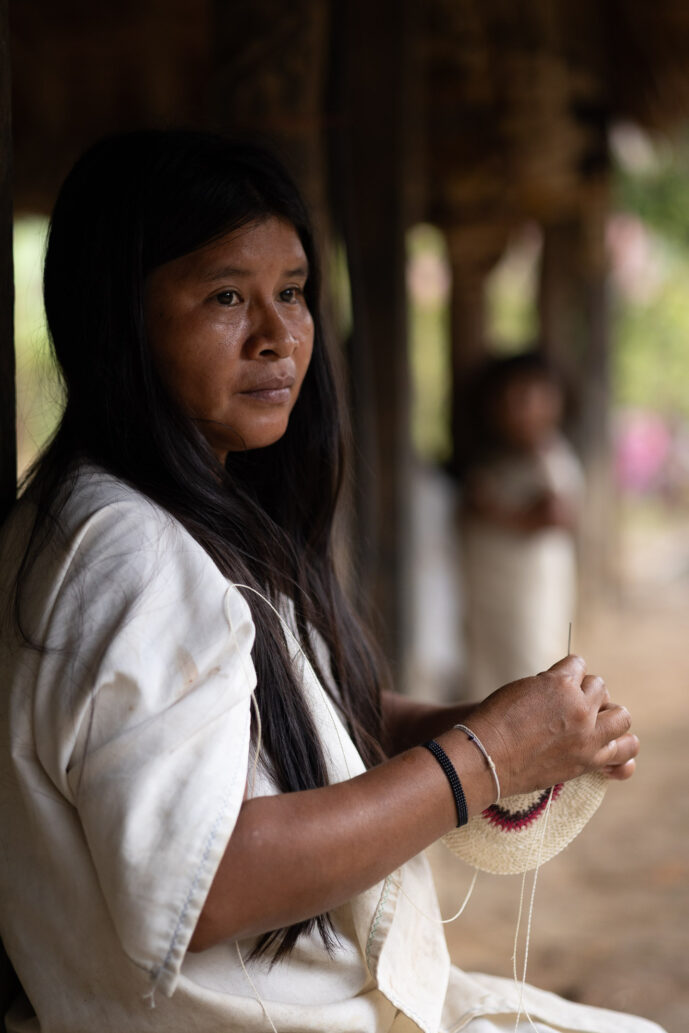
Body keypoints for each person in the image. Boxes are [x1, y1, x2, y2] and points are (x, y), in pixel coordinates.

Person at [0, 130, 662, 1033]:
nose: (277, 336)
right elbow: (206, 881)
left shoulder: (166, 514)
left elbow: (264, 723)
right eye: (226, 296)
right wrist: (484, 759)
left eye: (293, 293)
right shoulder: (131, 554)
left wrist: (485, 730)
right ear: (118, 315)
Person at [461, 352, 584, 701]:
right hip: (493, 599)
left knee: (527, 673)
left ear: (553, 404)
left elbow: (558, 513)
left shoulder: (549, 456)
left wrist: (493, 512)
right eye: (506, 400)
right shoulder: (502, 458)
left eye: (526, 400)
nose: (515, 410)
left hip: (528, 596)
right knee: (492, 679)